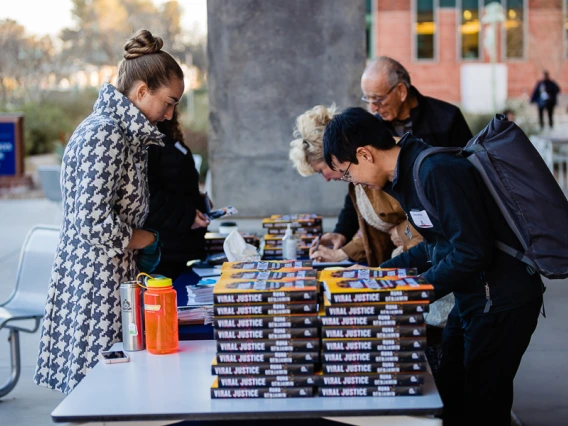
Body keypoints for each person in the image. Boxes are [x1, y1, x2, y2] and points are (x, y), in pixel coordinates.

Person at [323, 107, 544, 426]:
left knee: (485, 401)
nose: (351, 181)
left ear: (365, 154)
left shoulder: (434, 171)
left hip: (502, 299)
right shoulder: (407, 176)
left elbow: (471, 252)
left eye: (347, 172)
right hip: (474, 296)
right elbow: (437, 242)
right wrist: (384, 272)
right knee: (450, 387)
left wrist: (415, 290)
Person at [34, 29, 185, 394]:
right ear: (141, 91)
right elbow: (92, 222)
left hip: (109, 276)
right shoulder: (107, 134)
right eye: (168, 102)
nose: (169, 114)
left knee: (112, 391)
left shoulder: (123, 132)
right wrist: (146, 238)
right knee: (99, 393)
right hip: (94, 283)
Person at [315, 56, 472, 261]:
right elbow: (359, 179)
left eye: (377, 99)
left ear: (401, 91)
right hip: (414, 235)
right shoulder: (374, 124)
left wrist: (409, 228)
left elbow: (467, 175)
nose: (373, 108)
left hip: (448, 222)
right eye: (367, 100)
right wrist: (342, 231)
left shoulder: (446, 119)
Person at [289, 104, 422, 266]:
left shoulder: (379, 172)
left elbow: (422, 220)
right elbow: (353, 209)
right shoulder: (360, 178)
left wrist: (401, 233)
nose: (326, 179)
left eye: (321, 171)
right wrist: (341, 233)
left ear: (332, 158)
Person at [143, 108, 209, 281]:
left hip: (179, 247)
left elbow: (174, 183)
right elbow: (150, 197)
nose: (170, 113)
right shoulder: (146, 142)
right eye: (168, 102)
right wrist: (187, 216)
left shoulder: (166, 136)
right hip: (164, 251)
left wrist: (198, 199)